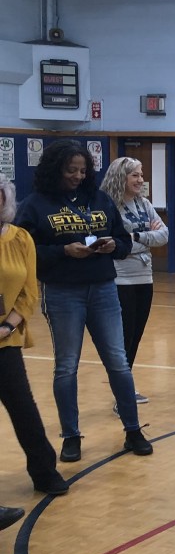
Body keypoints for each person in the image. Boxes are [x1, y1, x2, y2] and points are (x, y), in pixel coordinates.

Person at [16, 140, 153, 461]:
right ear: (55, 170)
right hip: (63, 292)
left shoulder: (100, 199)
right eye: (70, 171)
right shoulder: (35, 205)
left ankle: (133, 430)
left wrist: (108, 245)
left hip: (104, 288)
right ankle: (71, 435)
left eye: (82, 170)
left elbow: (122, 240)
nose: (77, 176)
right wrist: (63, 251)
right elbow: (25, 251)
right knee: (66, 367)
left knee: (118, 362)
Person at [0, 176, 70, 508]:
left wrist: (7, 327)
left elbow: (29, 292)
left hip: (6, 341)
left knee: (23, 408)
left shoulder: (20, 238)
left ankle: (44, 472)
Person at [101, 156, 168, 404]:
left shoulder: (144, 203)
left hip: (145, 277)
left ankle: (125, 386)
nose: (141, 180)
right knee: (123, 337)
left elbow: (163, 235)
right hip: (120, 280)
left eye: (141, 175)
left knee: (136, 335)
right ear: (122, 177)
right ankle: (122, 393)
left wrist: (134, 238)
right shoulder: (107, 206)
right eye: (135, 175)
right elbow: (109, 245)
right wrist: (143, 240)